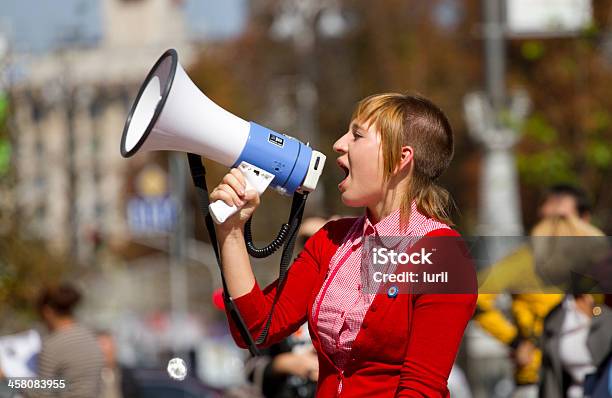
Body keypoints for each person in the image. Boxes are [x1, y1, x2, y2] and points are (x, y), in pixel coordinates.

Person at [211, 93, 477, 397]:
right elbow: (257, 327)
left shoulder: (443, 255)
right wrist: (230, 232)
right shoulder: (331, 239)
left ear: (401, 159)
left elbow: (422, 388)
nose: (339, 143)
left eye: (357, 135)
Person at [475, 184, 596, 398]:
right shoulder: (525, 259)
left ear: (584, 219)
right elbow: (473, 297)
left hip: (595, 377)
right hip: (537, 380)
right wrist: (516, 341)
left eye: (561, 220)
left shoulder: (598, 262)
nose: (549, 229)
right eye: (545, 220)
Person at [30, 283, 104, 398]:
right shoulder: (90, 337)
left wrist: (12, 380)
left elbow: (42, 393)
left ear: (47, 312)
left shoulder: (53, 345)